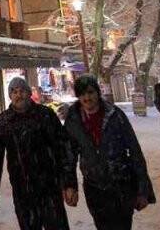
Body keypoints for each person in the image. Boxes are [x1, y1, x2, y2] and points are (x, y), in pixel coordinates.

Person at [65, 75, 154, 230]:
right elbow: (68, 155)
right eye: (82, 94)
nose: (87, 98)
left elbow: (135, 151)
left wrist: (143, 189)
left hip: (121, 185)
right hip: (94, 188)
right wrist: (70, 185)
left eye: (90, 92)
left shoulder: (115, 115)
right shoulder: (74, 120)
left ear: (97, 93)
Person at [0, 76, 77, 230]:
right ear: (10, 96)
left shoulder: (45, 115)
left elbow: (62, 148)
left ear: (29, 93)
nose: (18, 95)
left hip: (49, 188)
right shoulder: (3, 122)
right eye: (14, 92)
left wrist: (69, 183)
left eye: (22, 91)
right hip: (22, 191)